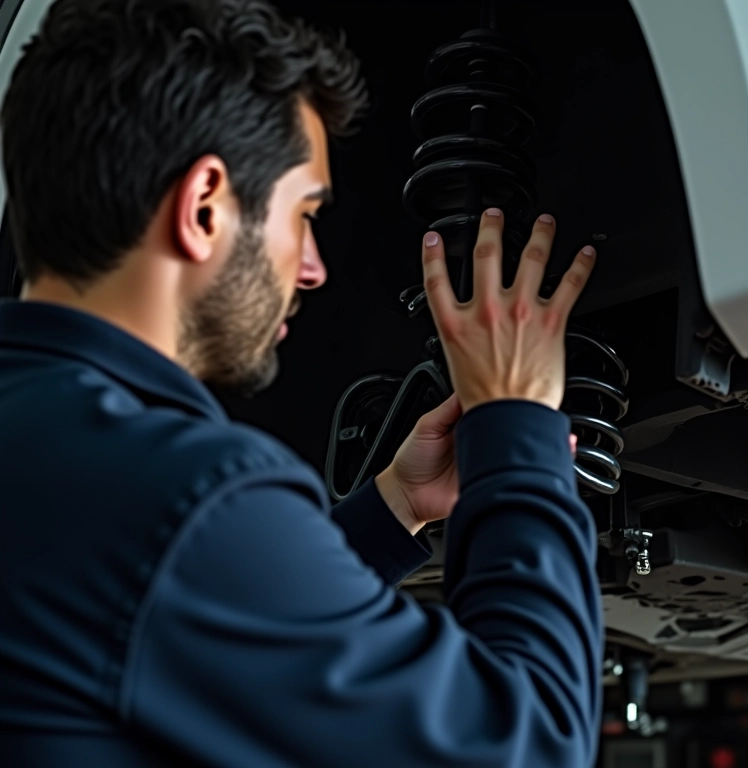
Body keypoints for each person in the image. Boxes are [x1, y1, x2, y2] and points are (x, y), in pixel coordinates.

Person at [0, 1, 602, 766]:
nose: (312, 267)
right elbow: (535, 747)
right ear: (204, 207)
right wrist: (517, 429)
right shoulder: (186, 501)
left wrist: (394, 507)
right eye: (304, 214)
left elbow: (175, 615)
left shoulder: (56, 453)